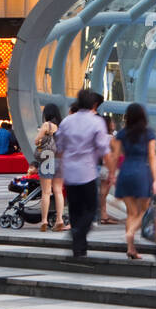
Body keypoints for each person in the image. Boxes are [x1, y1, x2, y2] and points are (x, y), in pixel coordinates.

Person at [56, 89, 111, 257]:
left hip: (70, 173)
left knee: (75, 209)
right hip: (87, 171)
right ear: (94, 104)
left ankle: (79, 247)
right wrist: (111, 170)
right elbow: (103, 148)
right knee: (91, 208)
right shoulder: (96, 122)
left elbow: (59, 148)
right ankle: (78, 234)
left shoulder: (67, 121)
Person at [110, 103, 156, 259]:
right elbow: (152, 156)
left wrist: (112, 174)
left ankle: (131, 248)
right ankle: (131, 233)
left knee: (131, 212)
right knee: (144, 210)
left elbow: (115, 156)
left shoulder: (122, 134)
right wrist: (155, 179)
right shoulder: (148, 133)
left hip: (125, 171)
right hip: (141, 173)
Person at [35, 104, 66, 231]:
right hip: (61, 161)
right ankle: (59, 220)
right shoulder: (63, 126)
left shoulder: (47, 125)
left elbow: (36, 141)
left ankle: (44, 221)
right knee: (58, 191)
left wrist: (41, 135)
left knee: (46, 192)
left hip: (48, 159)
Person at [98, 115, 119, 225]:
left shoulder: (101, 137)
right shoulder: (111, 138)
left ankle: (102, 214)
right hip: (108, 166)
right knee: (104, 192)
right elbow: (116, 153)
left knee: (103, 191)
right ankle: (103, 214)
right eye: (111, 122)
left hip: (101, 165)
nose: (113, 124)